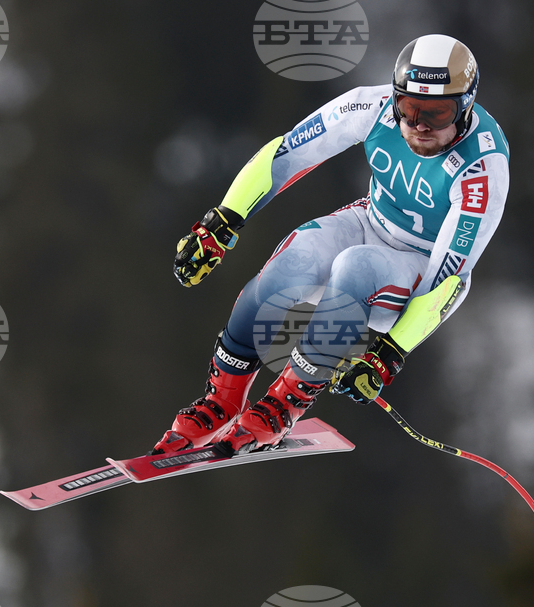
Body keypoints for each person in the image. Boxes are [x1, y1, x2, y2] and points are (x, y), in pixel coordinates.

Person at [153, 34, 510, 457]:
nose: (419, 125)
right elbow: (287, 153)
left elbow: (448, 280)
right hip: (369, 220)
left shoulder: (482, 168)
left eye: (438, 112)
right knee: (290, 267)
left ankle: (284, 403)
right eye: (410, 108)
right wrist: (223, 221)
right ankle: (222, 399)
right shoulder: (373, 106)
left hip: (420, 267)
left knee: (356, 268)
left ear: (465, 106)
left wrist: (391, 350)